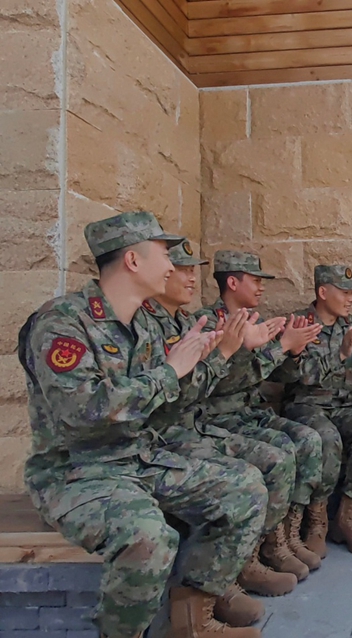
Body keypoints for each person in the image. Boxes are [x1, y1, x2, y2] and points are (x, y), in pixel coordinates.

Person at [18, 212, 266, 638]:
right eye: (164, 254)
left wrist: (214, 356)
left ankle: (193, 616)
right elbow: (83, 410)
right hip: (76, 473)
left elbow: (169, 405)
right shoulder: (63, 322)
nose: (172, 265)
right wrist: (170, 371)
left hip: (138, 457)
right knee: (149, 537)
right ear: (133, 260)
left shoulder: (144, 324)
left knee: (245, 489)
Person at [143, 240, 300, 612]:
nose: (189, 278)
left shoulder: (185, 322)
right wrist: (247, 348)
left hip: (198, 424)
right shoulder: (167, 325)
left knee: (282, 454)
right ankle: (219, 581)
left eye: (190, 270)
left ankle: (253, 556)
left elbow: (203, 384)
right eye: (181, 269)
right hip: (177, 432)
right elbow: (210, 388)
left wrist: (263, 346)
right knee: (249, 477)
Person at [195, 250, 325, 582]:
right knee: (279, 454)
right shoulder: (210, 323)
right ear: (232, 282)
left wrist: (292, 352)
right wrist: (278, 347)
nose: (261, 287)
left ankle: (287, 535)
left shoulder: (254, 320)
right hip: (219, 418)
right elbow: (221, 382)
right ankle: (261, 548)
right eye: (255, 280)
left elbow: (278, 375)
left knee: (309, 439)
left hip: (251, 412)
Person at [284, 265, 352, 555]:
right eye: (344, 292)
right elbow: (295, 375)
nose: (350, 299)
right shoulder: (300, 324)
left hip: (344, 404)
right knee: (327, 438)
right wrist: (340, 355)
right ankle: (317, 523)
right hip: (306, 405)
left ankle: (347, 518)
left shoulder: (350, 325)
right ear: (322, 292)